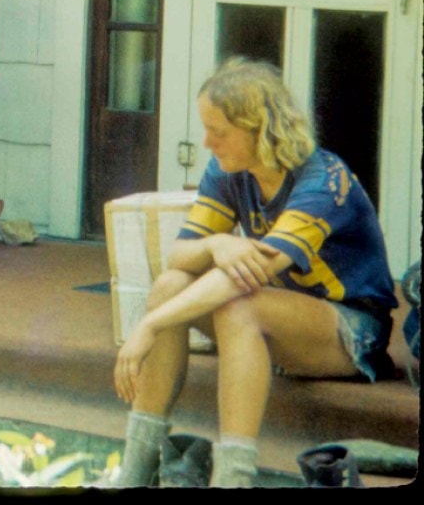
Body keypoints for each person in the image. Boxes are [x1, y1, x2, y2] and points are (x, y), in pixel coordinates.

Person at [113, 57, 398, 488]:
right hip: (282, 316)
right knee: (171, 286)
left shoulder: (323, 181)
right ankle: (135, 469)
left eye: (219, 132)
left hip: (352, 331)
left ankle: (233, 479)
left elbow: (248, 276)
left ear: (259, 129)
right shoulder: (230, 171)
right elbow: (179, 257)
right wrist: (216, 243)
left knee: (238, 306)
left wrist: (150, 324)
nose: (207, 142)